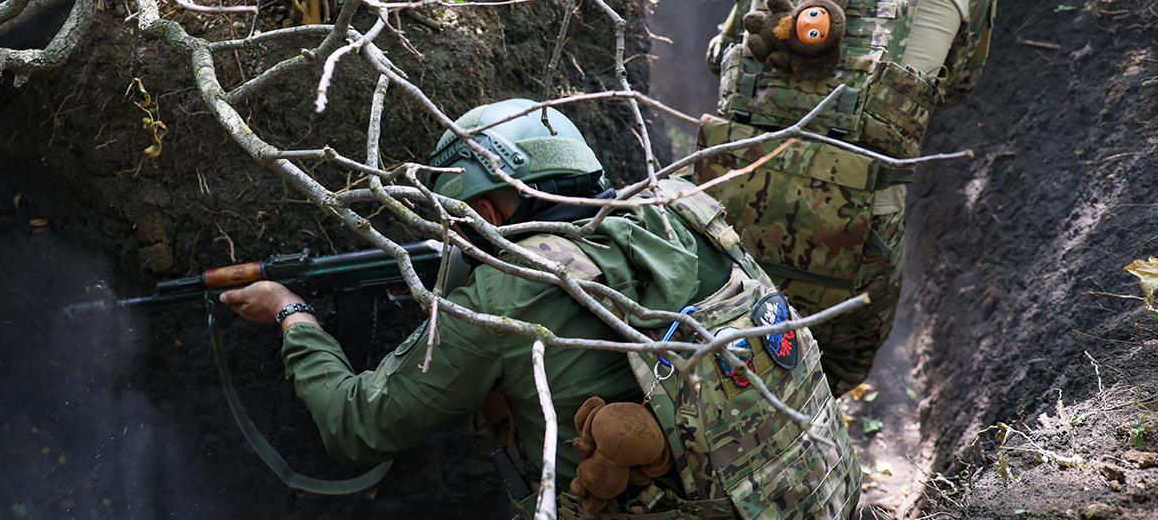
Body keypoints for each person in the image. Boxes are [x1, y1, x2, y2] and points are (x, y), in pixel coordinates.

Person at [220, 98, 860, 519]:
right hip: (818, 493)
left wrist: (290, 314)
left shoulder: (505, 298)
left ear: (492, 207)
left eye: (464, 219)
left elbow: (357, 425)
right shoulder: (683, 208)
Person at [698, 0, 1001, 397]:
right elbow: (956, 85)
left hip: (727, 201)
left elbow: (722, 57)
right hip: (857, 224)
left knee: (714, 345)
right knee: (829, 372)